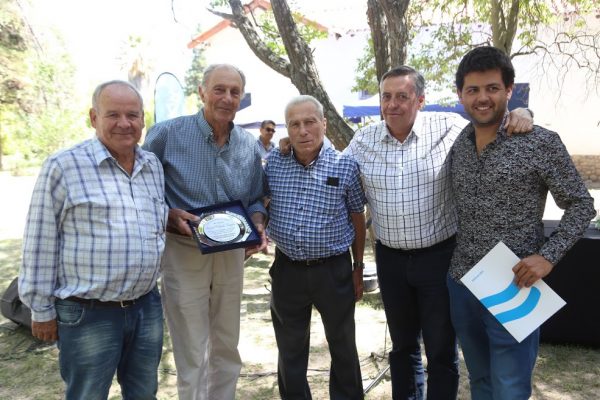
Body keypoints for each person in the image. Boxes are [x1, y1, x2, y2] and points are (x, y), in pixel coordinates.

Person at [343, 66, 533, 399]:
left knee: (441, 348)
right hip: (390, 260)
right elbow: (332, 168)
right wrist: (292, 144)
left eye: (402, 96)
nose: (392, 104)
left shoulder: (449, 127)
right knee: (402, 347)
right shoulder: (363, 140)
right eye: (386, 97)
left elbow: (492, 121)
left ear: (420, 100)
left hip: (439, 258)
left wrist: (523, 112)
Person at [447, 46, 595, 400]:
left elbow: (581, 204)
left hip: (513, 284)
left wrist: (548, 257)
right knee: (480, 381)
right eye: (473, 89)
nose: (482, 98)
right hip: (462, 281)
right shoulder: (458, 144)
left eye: (492, 88)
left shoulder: (539, 142)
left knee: (511, 389)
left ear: (509, 90)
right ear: (460, 95)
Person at [19, 80, 168, 400]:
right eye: (113, 114)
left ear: (143, 119)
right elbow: (40, 240)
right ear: (93, 117)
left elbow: (151, 222)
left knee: (144, 394)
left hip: (146, 306)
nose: (124, 123)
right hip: (89, 314)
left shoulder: (152, 165)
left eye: (132, 115)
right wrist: (40, 309)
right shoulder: (64, 166)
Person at [142, 63, 268, 400]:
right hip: (183, 250)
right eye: (219, 89)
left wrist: (258, 222)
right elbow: (141, 189)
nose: (227, 98)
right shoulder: (166, 135)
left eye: (234, 92)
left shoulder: (248, 145)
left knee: (227, 342)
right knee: (191, 346)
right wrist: (167, 214)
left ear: (241, 98)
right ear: (201, 92)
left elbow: (256, 197)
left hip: (231, 253)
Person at [266, 95, 366, 399]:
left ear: (323, 123)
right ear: (287, 129)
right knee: (290, 350)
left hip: (333, 271)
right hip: (287, 270)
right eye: (294, 124)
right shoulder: (275, 162)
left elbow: (358, 218)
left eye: (310, 122)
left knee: (343, 346)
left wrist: (358, 267)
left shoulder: (345, 165)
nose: (303, 130)